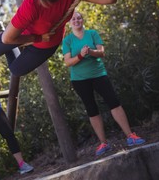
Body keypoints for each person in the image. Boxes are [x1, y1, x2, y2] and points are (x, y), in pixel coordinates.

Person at [62, 11, 145, 156]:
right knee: (92, 109)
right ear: (70, 23)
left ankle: (130, 136)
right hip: (79, 80)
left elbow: (101, 53)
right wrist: (81, 55)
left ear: (82, 20)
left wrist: (90, 52)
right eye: (73, 19)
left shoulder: (92, 34)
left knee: (114, 102)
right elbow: (68, 62)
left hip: (98, 75)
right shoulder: (67, 40)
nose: (76, 20)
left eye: (79, 18)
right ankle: (103, 143)